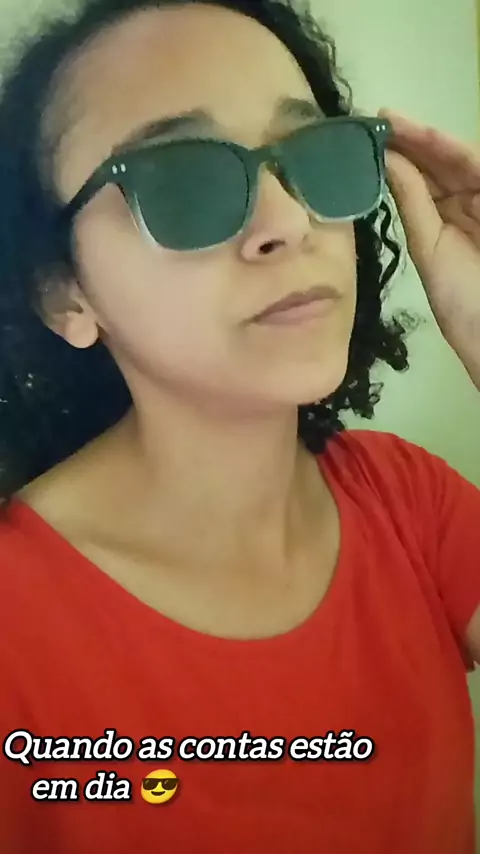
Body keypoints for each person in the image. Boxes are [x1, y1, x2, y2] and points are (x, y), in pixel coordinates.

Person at [0, 0, 479, 851]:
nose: (289, 222)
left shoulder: (411, 503)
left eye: (311, 155)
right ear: (63, 293)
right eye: (182, 179)